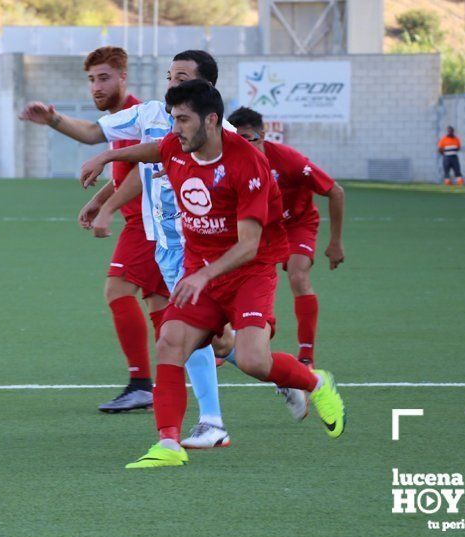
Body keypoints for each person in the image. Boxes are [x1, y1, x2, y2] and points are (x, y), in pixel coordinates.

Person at [80, 80, 346, 468]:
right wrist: (106, 158)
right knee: (171, 341)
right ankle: (169, 445)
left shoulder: (248, 164)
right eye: (173, 118)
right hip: (199, 268)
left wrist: (203, 277)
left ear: (212, 120)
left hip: (248, 273)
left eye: (183, 119)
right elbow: (155, 149)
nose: (175, 128)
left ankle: (316, 383)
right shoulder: (176, 143)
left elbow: (250, 244)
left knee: (255, 360)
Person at [20, 51, 234, 448]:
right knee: (211, 339)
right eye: (170, 75)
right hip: (164, 246)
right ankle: (281, 376)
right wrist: (52, 119)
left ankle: (208, 420)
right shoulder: (151, 115)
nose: (172, 83)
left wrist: (108, 203)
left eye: (182, 77)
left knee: (185, 331)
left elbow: (245, 183)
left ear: (206, 88)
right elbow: (95, 136)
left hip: (202, 245)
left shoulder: (223, 132)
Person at [30, 46, 169, 414]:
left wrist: (107, 208)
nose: (96, 86)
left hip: (149, 224)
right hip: (146, 222)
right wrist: (99, 200)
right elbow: (121, 166)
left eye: (104, 78)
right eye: (91, 79)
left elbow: (145, 170)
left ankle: (143, 384)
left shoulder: (139, 114)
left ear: (124, 77)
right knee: (164, 311)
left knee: (118, 288)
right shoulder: (119, 118)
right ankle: (263, 366)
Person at [219, 107, 345, 419]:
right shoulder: (229, 162)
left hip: (297, 224)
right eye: (238, 139)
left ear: (263, 135)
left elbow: (335, 191)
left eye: (250, 139)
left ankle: (305, 359)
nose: (245, 146)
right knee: (224, 284)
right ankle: (225, 341)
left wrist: (335, 242)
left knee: (298, 276)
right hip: (259, 230)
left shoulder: (287, 159)